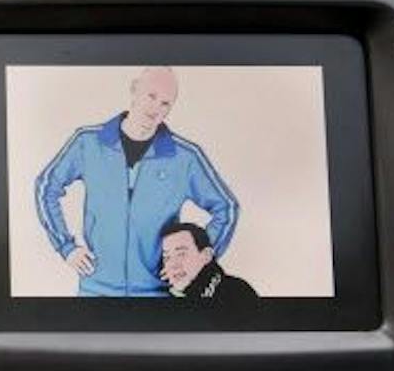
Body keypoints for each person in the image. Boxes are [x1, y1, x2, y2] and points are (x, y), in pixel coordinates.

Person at [32, 65, 239, 297]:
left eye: (165, 103)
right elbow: (45, 186)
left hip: (158, 296)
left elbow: (227, 208)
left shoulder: (186, 157)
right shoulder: (87, 142)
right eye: (151, 96)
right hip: (95, 291)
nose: (155, 109)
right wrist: (66, 247)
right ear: (134, 90)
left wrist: (195, 264)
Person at [158, 220, 257, 305]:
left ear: (206, 255)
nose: (173, 265)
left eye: (181, 254)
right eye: (167, 257)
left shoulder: (237, 291)